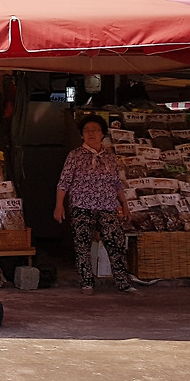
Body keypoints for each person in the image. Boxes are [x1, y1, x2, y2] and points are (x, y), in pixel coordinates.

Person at [53, 114, 137, 295]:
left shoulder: (110, 157)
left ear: (103, 134)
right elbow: (64, 182)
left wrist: (124, 204)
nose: (91, 134)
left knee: (115, 243)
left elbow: (116, 183)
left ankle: (122, 282)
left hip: (108, 206)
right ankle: (87, 283)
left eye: (95, 130)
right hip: (82, 206)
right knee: (82, 244)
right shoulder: (75, 155)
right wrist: (59, 205)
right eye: (87, 131)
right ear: (82, 134)